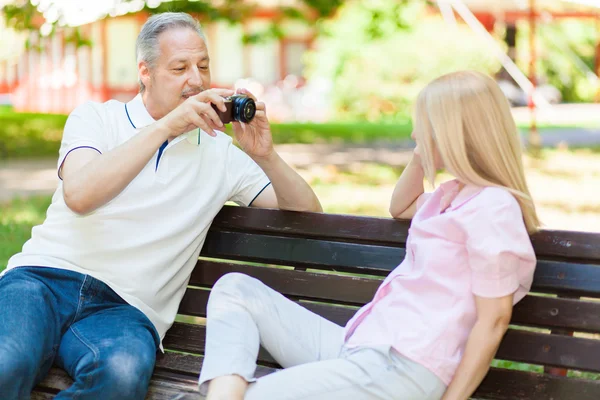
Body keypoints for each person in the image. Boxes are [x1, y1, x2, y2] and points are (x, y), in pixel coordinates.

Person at [0, 12, 321, 400]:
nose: (197, 80)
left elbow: (307, 218)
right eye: (179, 68)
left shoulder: (221, 154)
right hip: (42, 280)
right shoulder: (97, 118)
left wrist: (266, 155)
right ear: (145, 71)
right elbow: (80, 194)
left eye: (202, 66)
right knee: (7, 361)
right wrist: (168, 127)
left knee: (119, 376)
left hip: (126, 309)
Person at [197, 70, 540, 400]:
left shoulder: (493, 208)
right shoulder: (452, 196)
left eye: (423, 126)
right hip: (361, 347)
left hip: (403, 368)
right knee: (235, 289)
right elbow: (401, 206)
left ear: (453, 132)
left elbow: (493, 321)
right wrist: (422, 154)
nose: (413, 136)